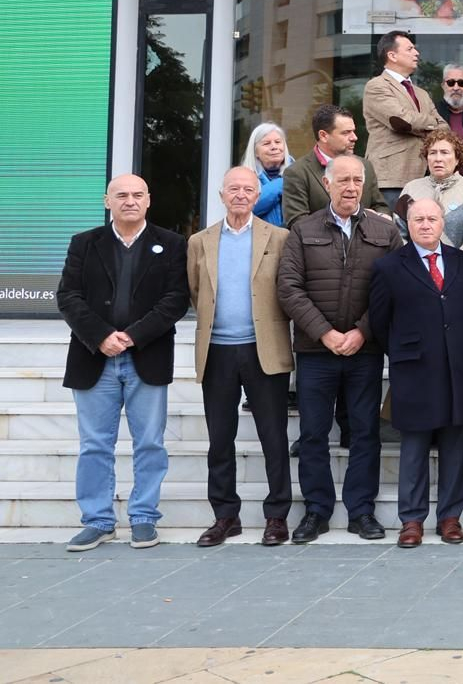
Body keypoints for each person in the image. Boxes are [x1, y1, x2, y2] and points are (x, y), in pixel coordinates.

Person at [56, 174, 189, 551]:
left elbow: (176, 299)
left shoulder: (172, 243)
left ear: (148, 200)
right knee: (95, 444)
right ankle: (98, 521)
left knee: (150, 442)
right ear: (107, 201)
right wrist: (101, 336)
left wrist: (132, 336)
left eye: (137, 195)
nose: (129, 201)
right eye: (121, 195)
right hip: (93, 357)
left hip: (147, 356)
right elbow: (68, 296)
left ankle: (144, 517)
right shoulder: (84, 243)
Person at [277, 154, 404, 544]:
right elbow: (289, 288)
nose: (351, 187)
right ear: (327, 184)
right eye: (343, 180)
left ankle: (361, 511)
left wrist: (362, 332)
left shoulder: (385, 232)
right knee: (314, 433)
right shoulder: (303, 229)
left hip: (365, 351)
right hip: (316, 353)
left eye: (357, 180)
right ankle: (316, 511)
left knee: (364, 431)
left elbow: (396, 287)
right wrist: (325, 334)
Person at [187, 167, 293, 548]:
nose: (241, 195)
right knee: (220, 438)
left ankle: (277, 516)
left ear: (257, 195)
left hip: (263, 348)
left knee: (273, 436)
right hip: (217, 351)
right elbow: (196, 289)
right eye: (234, 189)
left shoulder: (279, 238)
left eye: (249, 189)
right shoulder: (200, 241)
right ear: (221, 194)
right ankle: (225, 516)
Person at [368, 197, 463, 548]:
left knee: (452, 447)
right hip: (413, 370)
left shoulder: (462, 262)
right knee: (413, 448)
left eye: (432, 218)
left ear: (443, 222)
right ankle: (412, 520)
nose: (426, 225)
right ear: (408, 225)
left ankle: (450, 517)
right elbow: (380, 322)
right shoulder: (389, 267)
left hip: (455, 369)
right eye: (418, 220)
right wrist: (405, 351)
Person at [362, 29, 445, 206]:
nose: (417, 53)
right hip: (391, 177)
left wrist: (418, 124)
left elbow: (444, 128)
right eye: (410, 49)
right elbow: (401, 120)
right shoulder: (376, 86)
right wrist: (431, 123)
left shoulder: (421, 93)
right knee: (391, 230)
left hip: (424, 176)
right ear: (392, 55)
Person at [280, 104, 386, 225]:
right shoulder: (297, 172)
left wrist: (382, 216)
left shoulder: (365, 166)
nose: (354, 137)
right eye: (346, 133)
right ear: (323, 136)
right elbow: (297, 222)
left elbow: (380, 206)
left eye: (353, 131)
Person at [394, 129, 463, 247]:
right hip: (413, 262)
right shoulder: (411, 188)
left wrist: (455, 261)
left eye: (444, 152)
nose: (438, 159)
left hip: (458, 263)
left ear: (457, 159)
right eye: (432, 153)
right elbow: (398, 232)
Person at [243, 121, 293, 226]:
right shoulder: (244, 177)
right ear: (255, 152)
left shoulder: (300, 173)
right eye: (266, 143)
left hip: (294, 240)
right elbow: (249, 207)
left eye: (278, 142)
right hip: (260, 240)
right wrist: (282, 182)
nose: (274, 147)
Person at [434, 61, 463, 178]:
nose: (456, 88)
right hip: (441, 182)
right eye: (450, 83)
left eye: (461, 83)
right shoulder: (433, 112)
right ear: (443, 85)